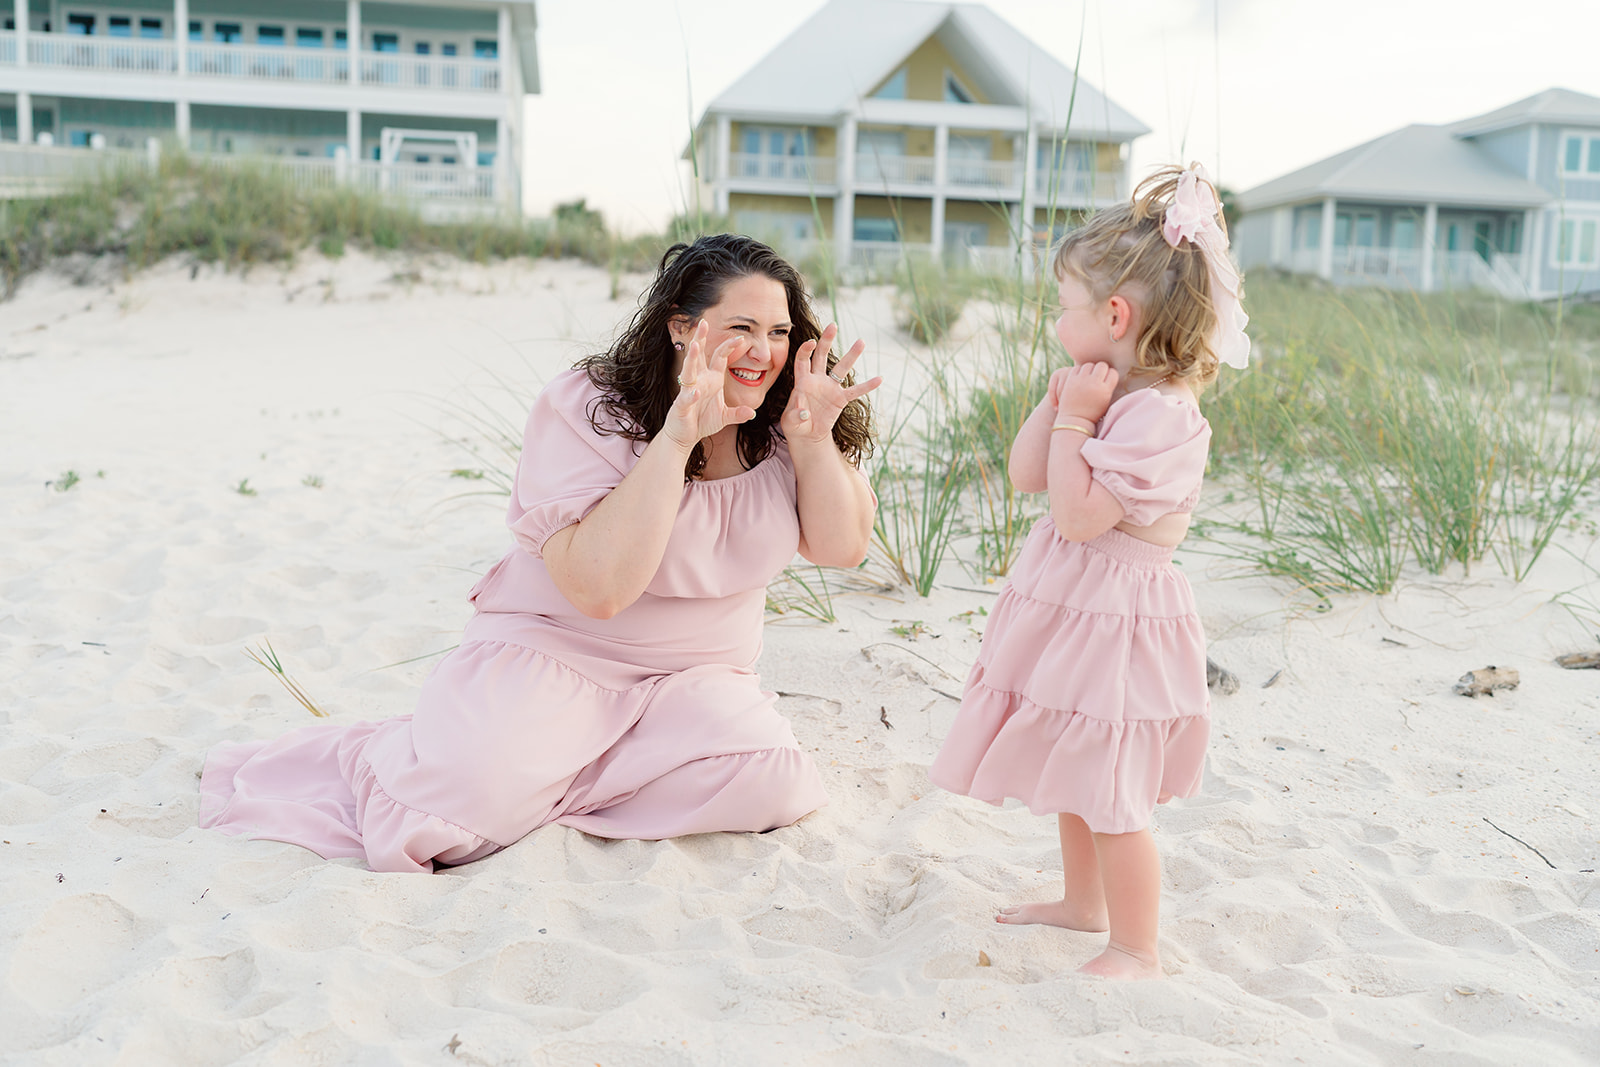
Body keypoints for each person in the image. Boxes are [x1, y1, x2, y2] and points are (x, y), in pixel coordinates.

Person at [200, 234, 882, 873]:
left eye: (778, 332)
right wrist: (675, 441)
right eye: (741, 327)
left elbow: (841, 547)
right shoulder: (589, 408)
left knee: (776, 783)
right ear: (681, 327)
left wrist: (814, 437)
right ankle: (481, 761)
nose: (762, 350)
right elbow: (600, 590)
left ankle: (551, 781)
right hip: (559, 655)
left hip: (697, 683)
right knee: (443, 820)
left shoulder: (785, 423)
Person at [929, 165, 1250, 979]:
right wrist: (1058, 404)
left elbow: (1078, 514)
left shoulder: (1161, 413)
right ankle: (1084, 904)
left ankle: (1136, 944)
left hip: (1120, 619)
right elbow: (1028, 474)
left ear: (1115, 314)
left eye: (1064, 304)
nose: (1054, 318)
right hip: (1074, 606)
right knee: (1075, 764)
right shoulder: (1107, 390)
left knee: (1111, 788)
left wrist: (1079, 416)